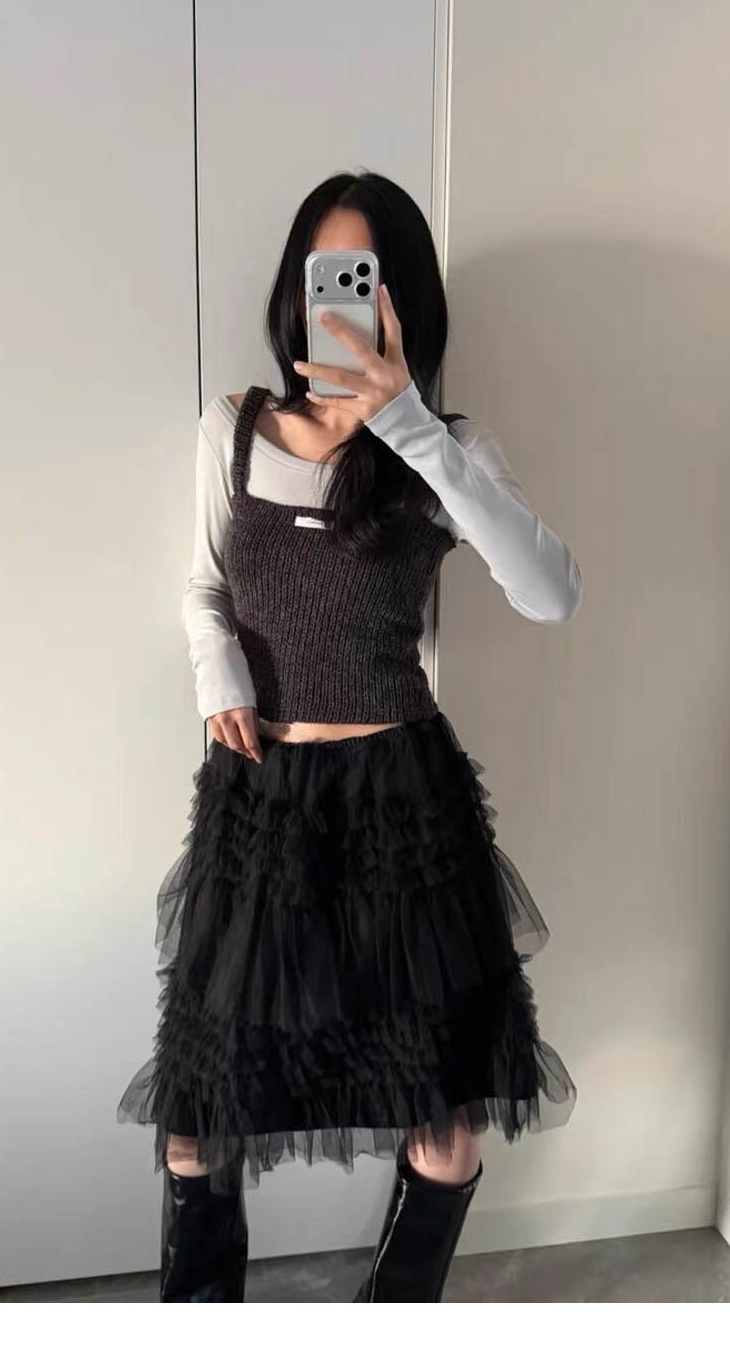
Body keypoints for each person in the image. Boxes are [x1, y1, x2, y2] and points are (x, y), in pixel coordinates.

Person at [117, 169, 582, 1303]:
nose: (338, 302)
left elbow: (549, 593)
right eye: (323, 274)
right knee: (200, 1116)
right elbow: (203, 587)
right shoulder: (234, 428)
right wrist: (218, 676)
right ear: (294, 290)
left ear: (402, 297)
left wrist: (408, 422)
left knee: (442, 1120)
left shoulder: (443, 449)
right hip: (261, 796)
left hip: (400, 808)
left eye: (361, 279)